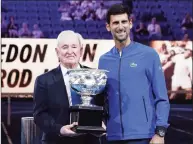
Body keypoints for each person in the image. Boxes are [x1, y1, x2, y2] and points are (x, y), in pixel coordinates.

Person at [98, 4, 170, 144]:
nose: (120, 27)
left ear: (130, 23)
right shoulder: (104, 60)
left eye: (124, 22)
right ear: (108, 27)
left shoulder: (149, 55)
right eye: (115, 23)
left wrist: (160, 133)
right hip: (113, 136)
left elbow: (162, 98)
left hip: (143, 136)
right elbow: (103, 99)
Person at [33, 30, 105, 144]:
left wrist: (101, 124)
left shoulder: (95, 76)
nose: (70, 51)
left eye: (74, 47)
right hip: (56, 140)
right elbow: (39, 115)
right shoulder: (43, 80)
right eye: (65, 47)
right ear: (57, 52)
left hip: (90, 140)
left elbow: (104, 106)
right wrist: (60, 129)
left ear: (81, 50)